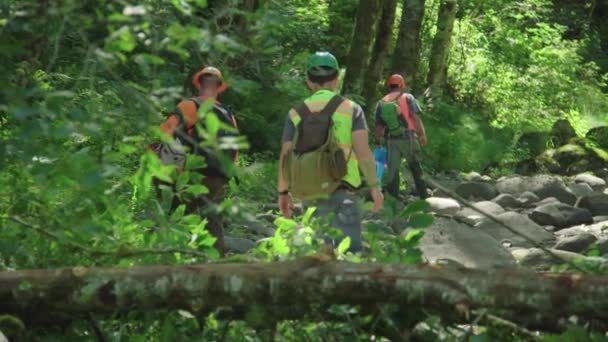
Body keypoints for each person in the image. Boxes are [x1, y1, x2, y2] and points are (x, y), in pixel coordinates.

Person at [277, 51, 383, 253]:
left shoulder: (295, 113)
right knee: (350, 258)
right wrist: (374, 187)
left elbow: (285, 156)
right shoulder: (351, 109)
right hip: (344, 194)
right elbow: (363, 152)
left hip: (310, 195)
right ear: (336, 80)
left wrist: (283, 192)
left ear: (309, 81)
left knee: (318, 262)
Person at [155, 66, 239, 257]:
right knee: (214, 222)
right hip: (219, 176)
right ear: (219, 87)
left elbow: (164, 134)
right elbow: (235, 149)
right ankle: (216, 263)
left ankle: (182, 258)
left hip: (192, 173)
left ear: (198, 84)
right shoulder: (227, 113)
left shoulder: (189, 106)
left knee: (184, 216)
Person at [374, 74, 429, 199]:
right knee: (416, 168)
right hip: (409, 139)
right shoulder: (408, 97)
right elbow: (415, 118)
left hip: (391, 141)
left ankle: (393, 200)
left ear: (389, 86)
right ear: (402, 85)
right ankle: (424, 197)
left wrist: (378, 141)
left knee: (393, 171)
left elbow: (378, 126)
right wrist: (422, 134)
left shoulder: (381, 102)